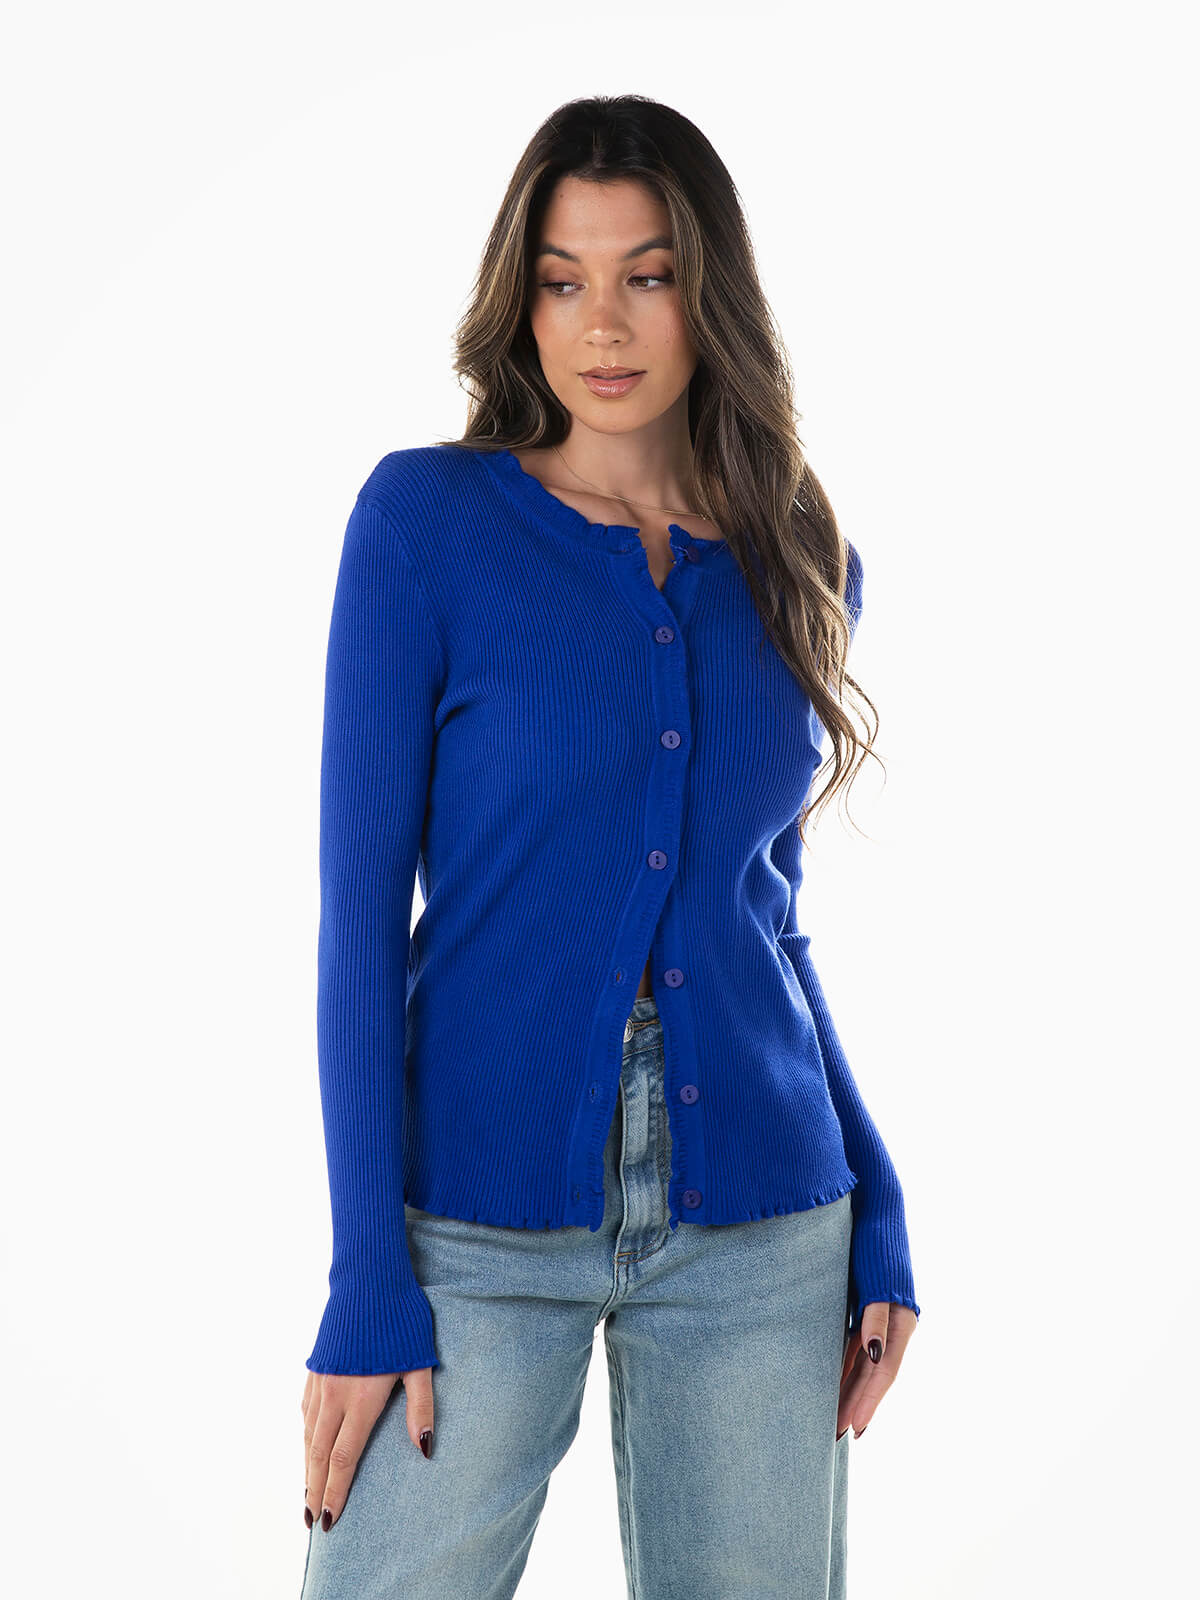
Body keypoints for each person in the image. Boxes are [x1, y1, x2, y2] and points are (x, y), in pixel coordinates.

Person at [299, 93, 920, 1600]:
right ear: (519, 304)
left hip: (765, 1220)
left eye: (648, 274)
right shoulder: (428, 524)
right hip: (474, 1216)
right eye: (562, 279)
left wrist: (879, 1196)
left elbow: (767, 918)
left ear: (709, 293)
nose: (604, 323)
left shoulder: (800, 554)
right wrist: (368, 1279)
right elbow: (356, 915)